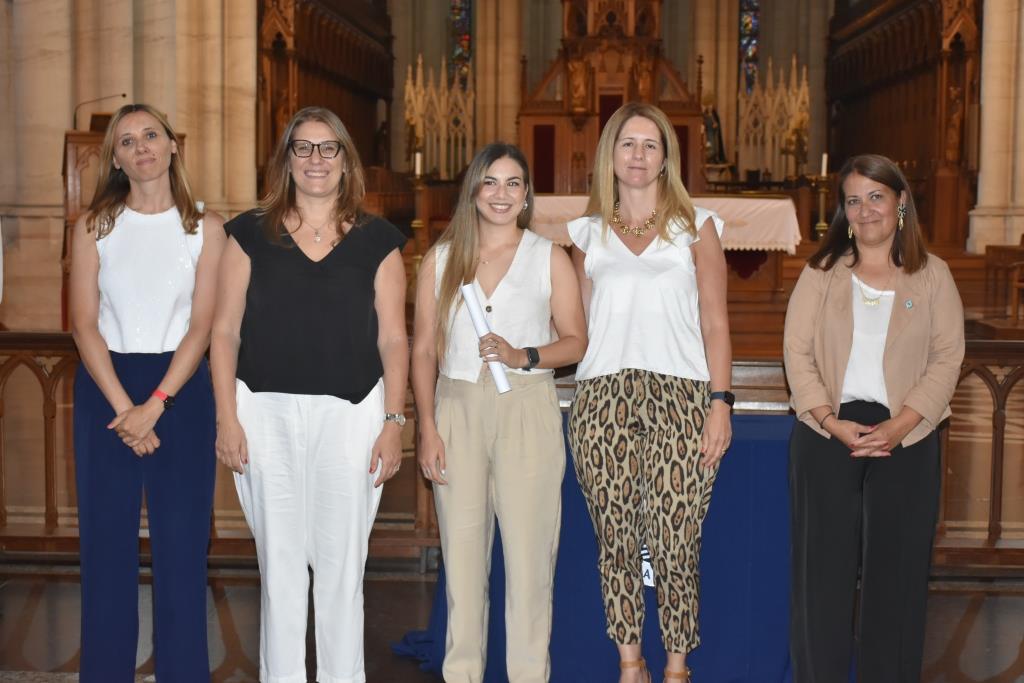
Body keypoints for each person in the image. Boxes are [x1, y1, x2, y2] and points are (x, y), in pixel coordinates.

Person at [210, 106, 408, 683]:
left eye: (329, 148)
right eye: (304, 148)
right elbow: (224, 330)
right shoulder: (249, 232)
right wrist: (227, 417)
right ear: (286, 159)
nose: (316, 160)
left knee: (343, 570)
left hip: (351, 415)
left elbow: (394, 337)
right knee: (282, 571)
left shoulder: (379, 240)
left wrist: (394, 421)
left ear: (346, 160)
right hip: (264, 413)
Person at [567, 102, 733, 683]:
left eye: (650, 145)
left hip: (682, 395)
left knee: (676, 540)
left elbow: (715, 321)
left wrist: (720, 402)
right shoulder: (585, 233)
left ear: (667, 157)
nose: (638, 156)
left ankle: (677, 668)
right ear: (609, 156)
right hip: (601, 396)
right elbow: (574, 326)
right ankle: (630, 665)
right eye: (628, 144)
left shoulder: (698, 225)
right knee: (615, 538)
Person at [784, 153, 964, 682]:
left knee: (897, 579)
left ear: (901, 202)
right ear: (843, 210)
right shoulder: (820, 274)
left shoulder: (933, 277)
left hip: (905, 435)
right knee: (823, 579)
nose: (865, 212)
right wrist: (827, 419)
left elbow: (947, 356)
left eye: (876, 198)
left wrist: (904, 423)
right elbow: (797, 353)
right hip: (827, 432)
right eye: (854, 200)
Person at [410, 142, 587, 682]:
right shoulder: (441, 259)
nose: (502, 194)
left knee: (531, 567)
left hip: (526, 410)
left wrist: (523, 355)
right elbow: (422, 350)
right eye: (490, 182)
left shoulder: (548, 257)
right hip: (455, 411)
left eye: (513, 183)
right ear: (474, 191)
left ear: (527, 194)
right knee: (462, 569)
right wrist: (426, 429)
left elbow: (577, 342)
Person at [69, 103, 225, 682]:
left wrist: (156, 403)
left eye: (151, 136)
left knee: (182, 552)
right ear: (115, 157)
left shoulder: (206, 228)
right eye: (128, 141)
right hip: (105, 391)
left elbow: (203, 325)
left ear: (172, 145)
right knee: (106, 551)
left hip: (178, 394)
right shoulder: (92, 227)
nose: (142, 148)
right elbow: (84, 324)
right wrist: (123, 409)